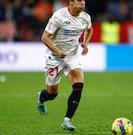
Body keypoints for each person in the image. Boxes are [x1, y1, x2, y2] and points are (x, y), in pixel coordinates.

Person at [37, 0, 93, 132]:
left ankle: (67, 121)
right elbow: (44, 37)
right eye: (79, 1)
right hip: (55, 58)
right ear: (71, 3)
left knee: (78, 85)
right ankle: (41, 97)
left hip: (72, 56)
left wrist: (85, 43)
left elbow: (89, 29)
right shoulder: (59, 17)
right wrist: (58, 51)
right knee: (52, 94)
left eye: (83, 1)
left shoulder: (85, 17)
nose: (83, 4)